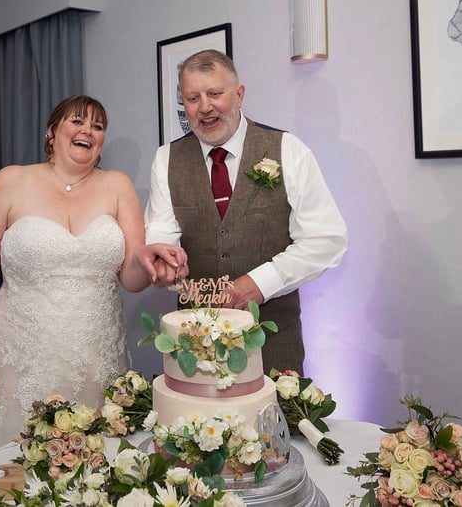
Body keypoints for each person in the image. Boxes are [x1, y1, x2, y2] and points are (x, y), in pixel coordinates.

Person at [0, 95, 186, 470]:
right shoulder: (11, 181)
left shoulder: (117, 186)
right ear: (51, 132)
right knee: (15, 471)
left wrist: (147, 260)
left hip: (98, 359)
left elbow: (130, 279)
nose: (88, 131)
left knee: (93, 470)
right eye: (77, 121)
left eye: (98, 126)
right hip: (20, 358)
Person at [145, 50, 348, 375]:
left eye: (215, 93)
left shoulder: (289, 150)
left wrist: (261, 282)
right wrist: (163, 260)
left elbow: (326, 240)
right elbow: (161, 232)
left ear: (239, 95)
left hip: (273, 345)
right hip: (193, 349)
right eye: (193, 98)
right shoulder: (166, 159)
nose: (205, 107)